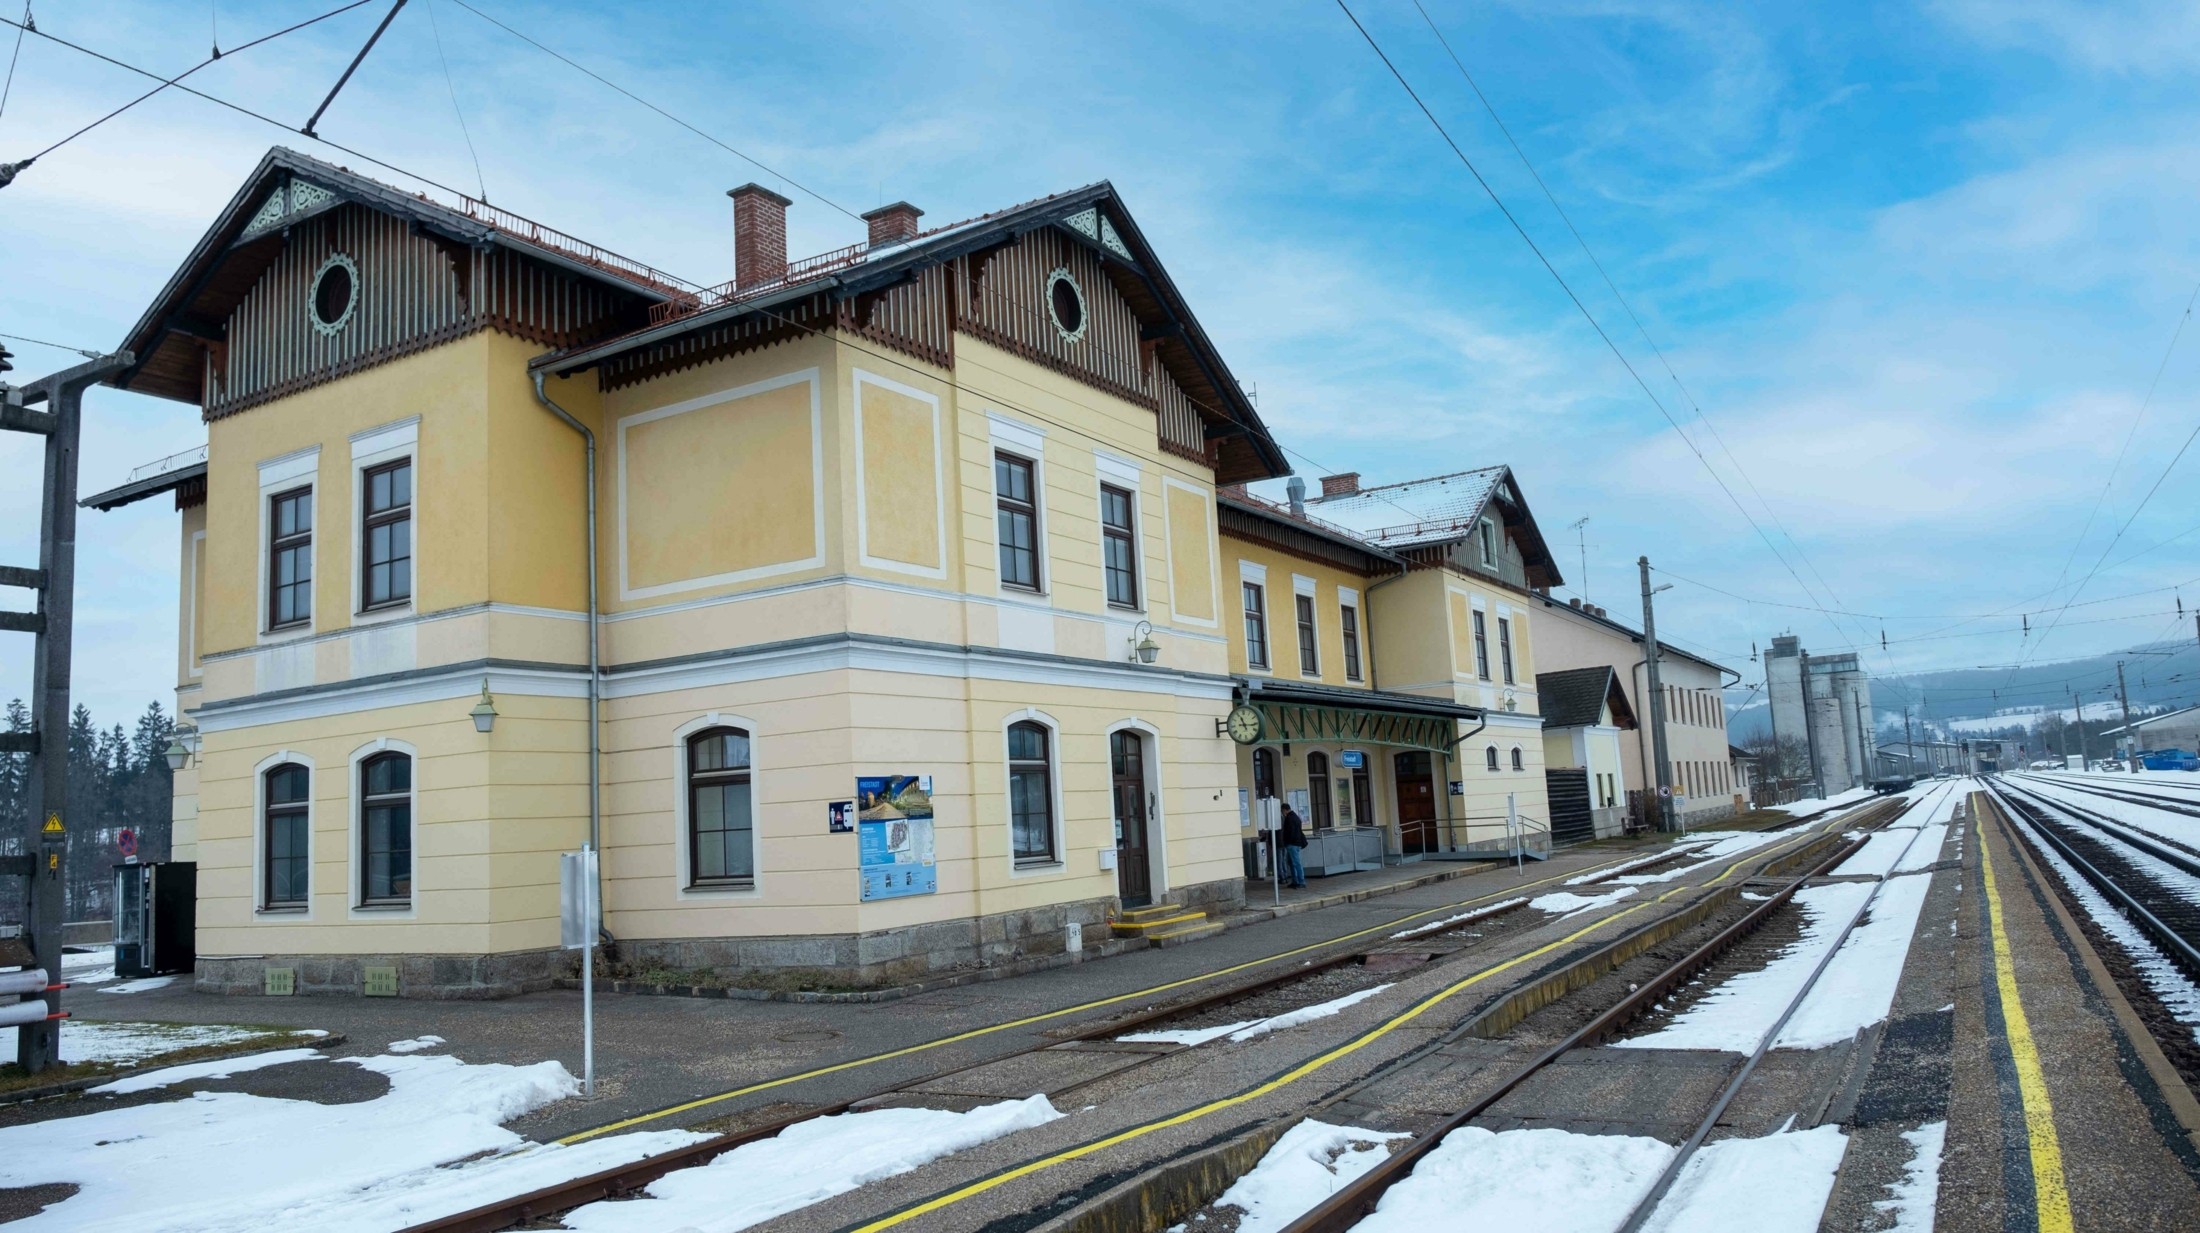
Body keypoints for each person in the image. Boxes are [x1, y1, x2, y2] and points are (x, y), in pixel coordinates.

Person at [1278, 802, 1309, 889]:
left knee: (1296, 863)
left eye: (1282, 811)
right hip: (1296, 843)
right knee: (1293, 863)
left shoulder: (1289, 818)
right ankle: (1295, 881)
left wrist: (1287, 842)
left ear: (1284, 810)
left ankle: (1301, 881)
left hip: (1292, 844)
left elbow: (1289, 832)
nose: (1282, 813)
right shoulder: (1296, 817)